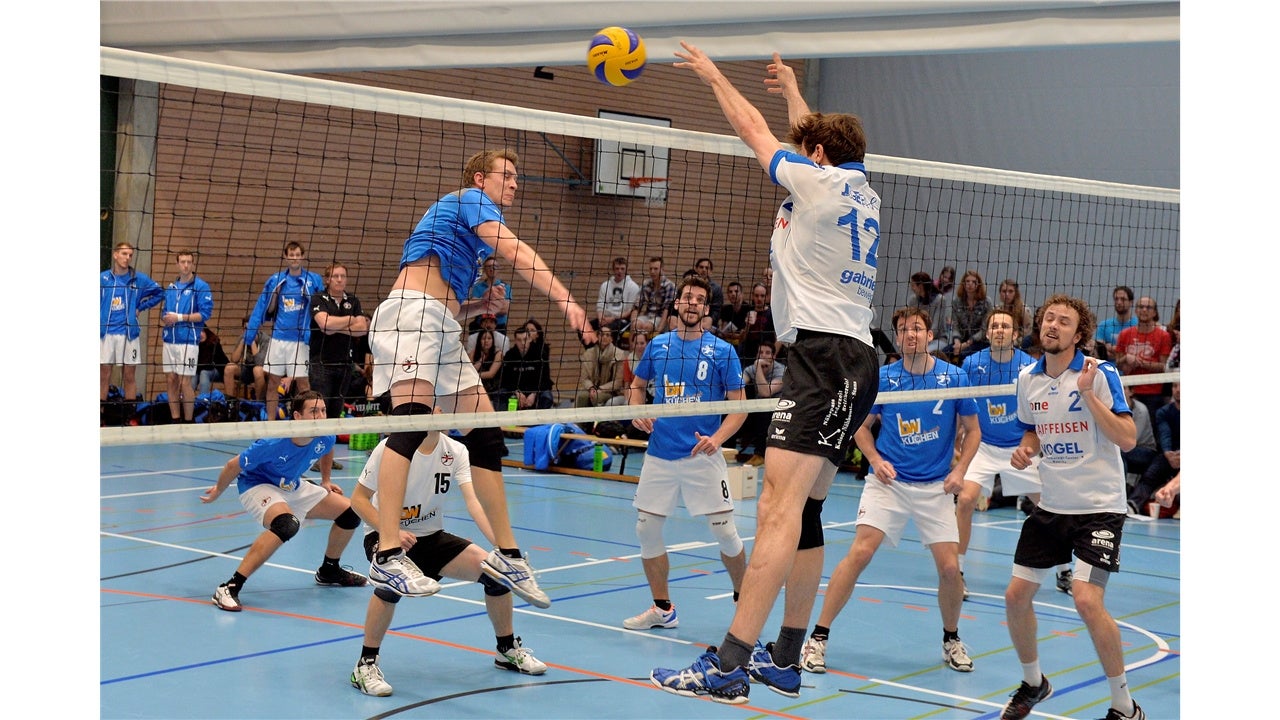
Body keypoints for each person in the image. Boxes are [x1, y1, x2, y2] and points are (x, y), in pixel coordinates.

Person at [649, 46, 881, 705]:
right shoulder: (861, 189)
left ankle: (729, 663)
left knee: (775, 511)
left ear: (815, 158)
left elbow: (754, 134)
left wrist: (714, 75)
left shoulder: (814, 181)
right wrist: (792, 95)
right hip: (855, 360)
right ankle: (784, 657)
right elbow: (816, 141)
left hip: (821, 359)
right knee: (804, 513)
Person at [366, 148, 593, 604]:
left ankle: (508, 553)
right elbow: (514, 250)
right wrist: (565, 299)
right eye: (506, 176)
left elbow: (443, 295)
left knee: (486, 435)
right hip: (410, 318)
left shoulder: (462, 231)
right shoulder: (468, 198)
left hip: (441, 324)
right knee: (411, 424)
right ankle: (388, 553)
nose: (513, 184)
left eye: (515, 178)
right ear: (478, 177)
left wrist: (476, 307)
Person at [799, 306, 980, 676]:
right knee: (860, 552)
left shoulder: (954, 377)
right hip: (890, 484)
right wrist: (875, 458)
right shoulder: (883, 378)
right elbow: (859, 426)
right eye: (902, 330)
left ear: (930, 336)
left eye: (916, 328)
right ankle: (817, 638)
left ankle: (951, 639)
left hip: (935, 487)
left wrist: (961, 470)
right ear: (897, 338)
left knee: (950, 569)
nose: (910, 334)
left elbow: (974, 430)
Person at [1000, 293, 1144, 720]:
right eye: (1048, 319)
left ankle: (1125, 706)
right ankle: (1034, 683)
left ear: (1079, 334)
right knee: (1015, 596)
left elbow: (1128, 438)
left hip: (1099, 506)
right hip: (1053, 505)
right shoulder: (1027, 379)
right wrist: (1025, 451)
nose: (1052, 325)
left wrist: (1088, 395)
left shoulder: (1100, 374)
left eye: (1064, 321)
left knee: (1085, 600)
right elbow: (1031, 432)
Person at [347, 425, 546, 697]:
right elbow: (358, 499)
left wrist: (505, 548)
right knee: (389, 586)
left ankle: (507, 651)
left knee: (495, 573)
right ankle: (365, 666)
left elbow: (475, 503)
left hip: (432, 537)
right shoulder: (391, 447)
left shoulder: (456, 450)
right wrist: (390, 532)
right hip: (387, 537)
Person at [622, 276, 748, 631]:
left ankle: (746, 599)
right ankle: (663, 609)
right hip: (660, 454)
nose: (692, 303)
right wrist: (637, 410)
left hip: (701, 457)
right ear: (676, 304)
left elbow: (739, 407)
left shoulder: (723, 351)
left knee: (724, 531)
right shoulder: (658, 346)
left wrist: (717, 438)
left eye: (699, 299)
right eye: (686, 297)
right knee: (646, 529)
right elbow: (637, 386)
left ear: (706, 309)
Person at [200, 391, 368, 612]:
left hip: (291, 485)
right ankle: (230, 586)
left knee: (350, 512)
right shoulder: (274, 442)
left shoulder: (325, 435)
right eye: (313, 411)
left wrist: (325, 480)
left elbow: (327, 449)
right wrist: (218, 492)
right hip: (258, 484)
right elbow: (233, 465)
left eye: (323, 410)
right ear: (297, 416)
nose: (320, 416)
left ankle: (329, 570)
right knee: (286, 524)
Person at [954, 309, 1069, 599]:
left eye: (1005, 326)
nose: (1000, 330)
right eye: (994, 326)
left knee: (1049, 506)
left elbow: (1043, 409)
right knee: (966, 499)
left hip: (1020, 447)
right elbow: (961, 405)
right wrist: (956, 442)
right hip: (981, 444)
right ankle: (956, 571)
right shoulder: (971, 364)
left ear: (1015, 333)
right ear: (988, 332)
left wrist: (1037, 446)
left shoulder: (1029, 367)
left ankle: (1064, 570)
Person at [243, 241, 324, 422]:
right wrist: (249, 335)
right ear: (285, 257)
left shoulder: (312, 280)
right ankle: (271, 424)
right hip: (279, 339)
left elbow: (321, 305)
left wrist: (309, 295)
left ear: (302, 256)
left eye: (297, 255)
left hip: (300, 341)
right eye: (291, 255)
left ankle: (307, 421)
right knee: (272, 382)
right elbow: (265, 308)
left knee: (303, 385)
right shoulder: (277, 280)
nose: (294, 258)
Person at [100, 241, 164, 424]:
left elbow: (159, 292)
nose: (127, 258)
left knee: (129, 375)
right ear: (115, 255)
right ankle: (101, 417)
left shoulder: (138, 279)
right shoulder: (103, 279)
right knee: (104, 374)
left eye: (130, 255)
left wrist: (140, 307)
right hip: (107, 334)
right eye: (124, 254)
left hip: (129, 335)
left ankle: (131, 418)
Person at [309, 261, 370, 422]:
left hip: (345, 365)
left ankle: (330, 445)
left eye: (343, 276)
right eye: (335, 276)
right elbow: (324, 324)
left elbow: (363, 328)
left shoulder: (353, 300)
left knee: (336, 411)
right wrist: (350, 319)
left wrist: (334, 326)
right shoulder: (318, 298)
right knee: (321, 409)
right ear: (328, 279)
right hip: (321, 364)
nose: (339, 279)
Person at [160, 250, 215, 423]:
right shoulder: (171, 288)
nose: (185, 265)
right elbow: (164, 312)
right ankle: (175, 419)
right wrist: (166, 318)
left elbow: (205, 314)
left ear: (192, 264)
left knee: (185, 382)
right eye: (182, 261)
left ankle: (189, 421)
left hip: (188, 342)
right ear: (177, 264)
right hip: (169, 340)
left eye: (188, 262)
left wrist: (180, 318)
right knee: (171, 380)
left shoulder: (201, 287)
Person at [1126, 382, 1180, 516]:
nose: (1178, 390)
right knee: (1152, 472)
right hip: (1170, 456)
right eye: (1174, 386)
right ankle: (1133, 504)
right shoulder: (1164, 412)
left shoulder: (1141, 409)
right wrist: (1168, 453)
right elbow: (1164, 433)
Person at [1114, 296, 1172, 417]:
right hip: (1129, 391)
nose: (1144, 310)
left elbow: (1163, 367)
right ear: (1136, 311)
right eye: (1141, 307)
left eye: (1148, 307)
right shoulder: (1124, 334)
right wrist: (1126, 358)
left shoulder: (1163, 336)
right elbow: (1117, 363)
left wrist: (1139, 362)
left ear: (1155, 312)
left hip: (1153, 393)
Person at [734, 343, 785, 465]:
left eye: (767, 353)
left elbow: (765, 392)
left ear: (773, 356)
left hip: (778, 409)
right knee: (733, 409)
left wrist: (757, 369)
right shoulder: (750, 369)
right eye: (760, 352)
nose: (763, 355)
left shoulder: (782, 370)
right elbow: (737, 386)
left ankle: (760, 454)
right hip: (759, 407)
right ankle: (729, 449)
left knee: (763, 415)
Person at [497, 326, 556, 410]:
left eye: (525, 339)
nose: (522, 343)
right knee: (501, 394)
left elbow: (545, 379)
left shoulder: (541, 354)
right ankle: (505, 421)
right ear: (515, 341)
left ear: (530, 339)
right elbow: (505, 380)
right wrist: (517, 393)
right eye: (519, 340)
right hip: (516, 391)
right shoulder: (509, 355)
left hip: (535, 391)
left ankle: (540, 420)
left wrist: (534, 393)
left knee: (547, 396)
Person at [574, 325, 626, 408]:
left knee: (596, 397)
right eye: (602, 334)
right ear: (598, 337)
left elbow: (618, 382)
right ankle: (581, 421)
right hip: (592, 389)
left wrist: (601, 389)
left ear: (611, 339)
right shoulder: (589, 354)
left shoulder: (619, 355)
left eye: (607, 335)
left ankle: (599, 421)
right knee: (581, 396)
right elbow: (584, 378)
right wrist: (591, 388)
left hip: (611, 391)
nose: (604, 337)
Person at [595, 256, 641, 337]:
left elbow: (629, 311)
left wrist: (613, 318)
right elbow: (600, 305)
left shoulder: (633, 287)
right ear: (613, 270)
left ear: (626, 270)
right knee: (583, 328)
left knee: (606, 330)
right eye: (617, 268)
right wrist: (601, 319)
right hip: (606, 318)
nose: (619, 271)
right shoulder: (605, 285)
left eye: (622, 269)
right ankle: (595, 349)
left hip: (621, 320)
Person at [951, 269, 991, 360]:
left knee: (963, 356)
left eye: (973, 282)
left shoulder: (986, 302)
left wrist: (966, 344)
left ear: (978, 284)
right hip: (961, 340)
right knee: (945, 352)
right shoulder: (956, 301)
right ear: (963, 284)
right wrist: (957, 342)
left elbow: (985, 329)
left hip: (980, 341)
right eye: (967, 281)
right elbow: (955, 325)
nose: (970, 284)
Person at [630, 256, 675, 335]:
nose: (652, 271)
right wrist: (633, 322)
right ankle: (633, 347)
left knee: (647, 327)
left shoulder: (669, 285)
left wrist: (659, 330)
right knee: (636, 325)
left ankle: (647, 346)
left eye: (655, 269)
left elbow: (667, 310)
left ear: (662, 269)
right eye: (650, 269)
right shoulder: (646, 283)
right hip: (648, 315)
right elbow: (636, 305)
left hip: (660, 317)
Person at [737, 281, 776, 368]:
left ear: (767, 297)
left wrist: (773, 356)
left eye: (762, 296)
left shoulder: (772, 313)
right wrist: (747, 325)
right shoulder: (747, 311)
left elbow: (778, 338)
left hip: (765, 356)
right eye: (756, 295)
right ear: (752, 296)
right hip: (748, 356)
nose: (759, 299)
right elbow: (741, 339)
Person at [468, 255, 512, 331]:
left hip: (499, 327)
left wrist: (483, 307)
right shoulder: (477, 287)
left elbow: (504, 309)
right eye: (489, 266)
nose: (492, 269)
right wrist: (495, 306)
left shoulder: (506, 287)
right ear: (484, 269)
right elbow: (473, 306)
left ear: (498, 269)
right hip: (480, 326)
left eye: (494, 266)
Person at [1096, 285, 1137, 360]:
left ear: (1131, 302)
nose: (1119, 302)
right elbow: (1100, 353)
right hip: (1108, 369)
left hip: (1131, 370)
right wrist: (1125, 354)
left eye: (1123, 299)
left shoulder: (1139, 325)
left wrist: (1111, 347)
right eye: (1116, 299)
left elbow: (1138, 354)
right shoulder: (1104, 325)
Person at [193, 326, 231, 397]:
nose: (200, 334)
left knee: (204, 373)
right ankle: (187, 400)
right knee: (193, 375)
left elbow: (209, 365)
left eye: (203, 331)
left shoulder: (213, 343)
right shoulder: (194, 346)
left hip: (219, 370)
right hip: (201, 370)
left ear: (207, 332)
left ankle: (203, 400)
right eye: (198, 332)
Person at [470, 328, 504, 404]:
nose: (486, 341)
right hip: (477, 387)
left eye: (489, 338)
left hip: (494, 388)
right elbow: (470, 371)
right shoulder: (474, 352)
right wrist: (480, 361)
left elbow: (491, 374)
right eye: (483, 338)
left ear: (493, 340)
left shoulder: (498, 353)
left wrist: (474, 375)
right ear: (479, 340)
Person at [694, 257, 724, 331]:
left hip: (710, 324)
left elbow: (717, 311)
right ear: (696, 269)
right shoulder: (690, 286)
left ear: (711, 271)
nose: (704, 270)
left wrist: (709, 320)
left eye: (707, 268)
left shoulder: (716, 289)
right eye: (701, 267)